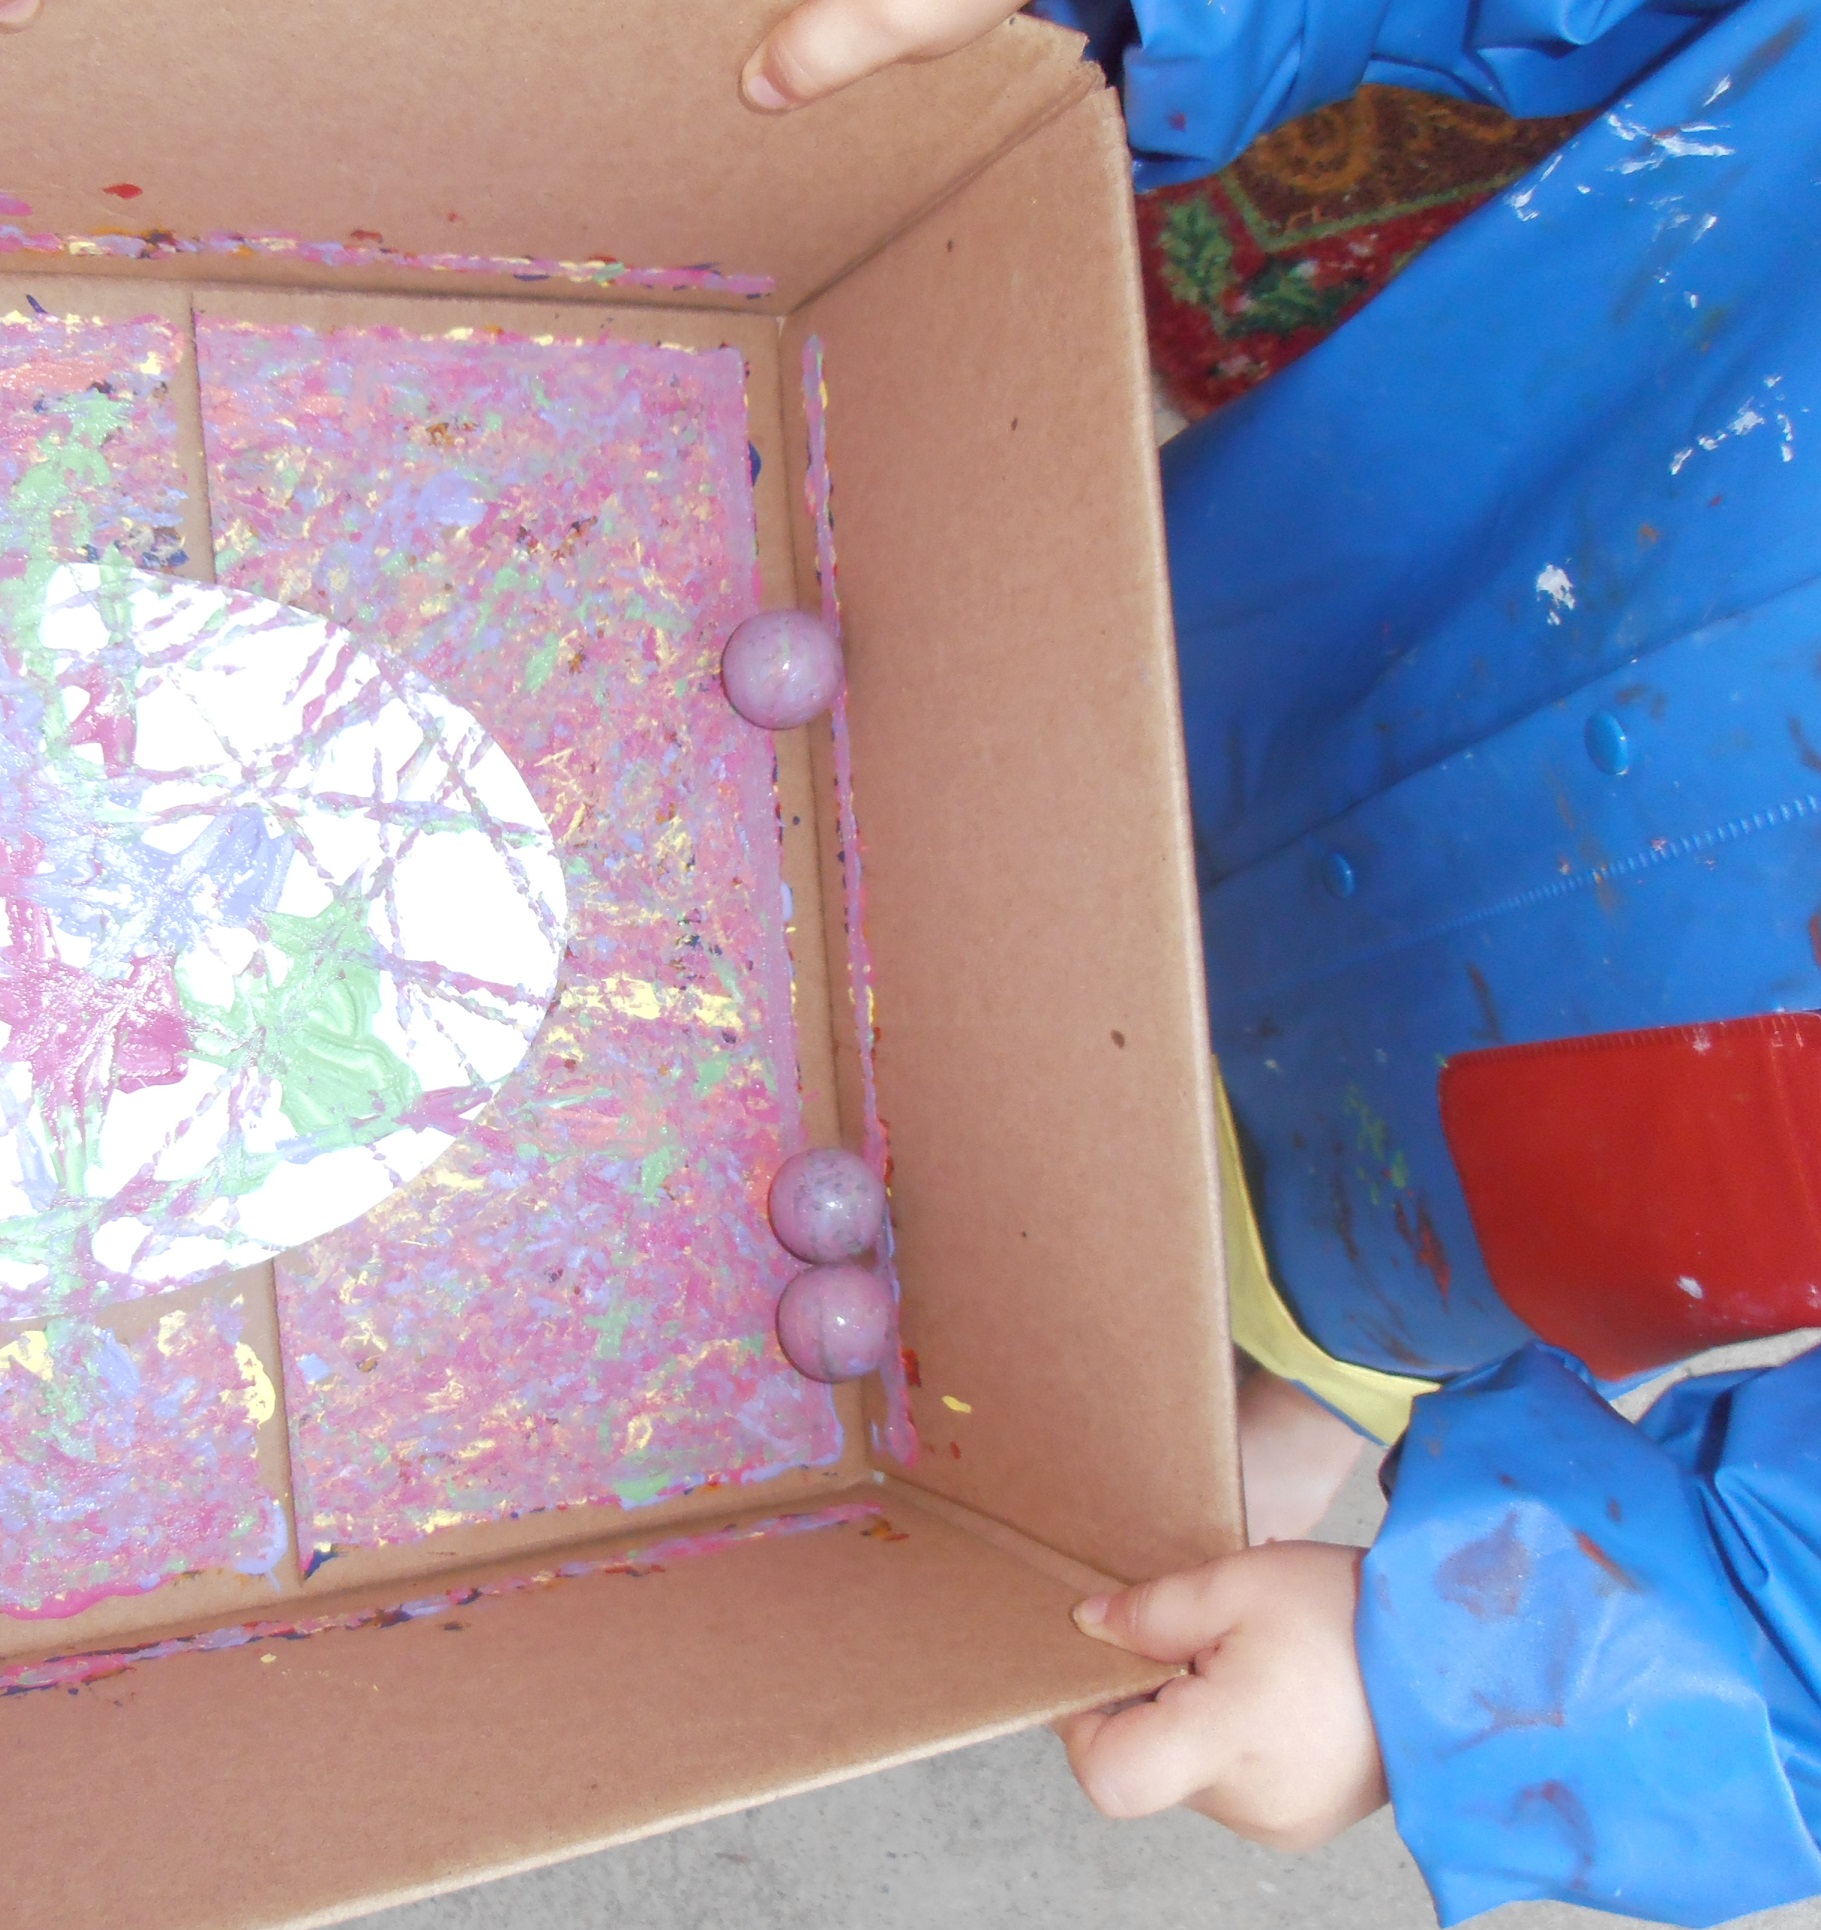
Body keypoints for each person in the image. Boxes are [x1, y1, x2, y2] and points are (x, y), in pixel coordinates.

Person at [745, 0, 1821, 1921]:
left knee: (1299, 1303)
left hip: (1520, 1163)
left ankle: (1309, 1389)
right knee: (970, 789)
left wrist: (1498, 1666)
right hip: (1328, 608)